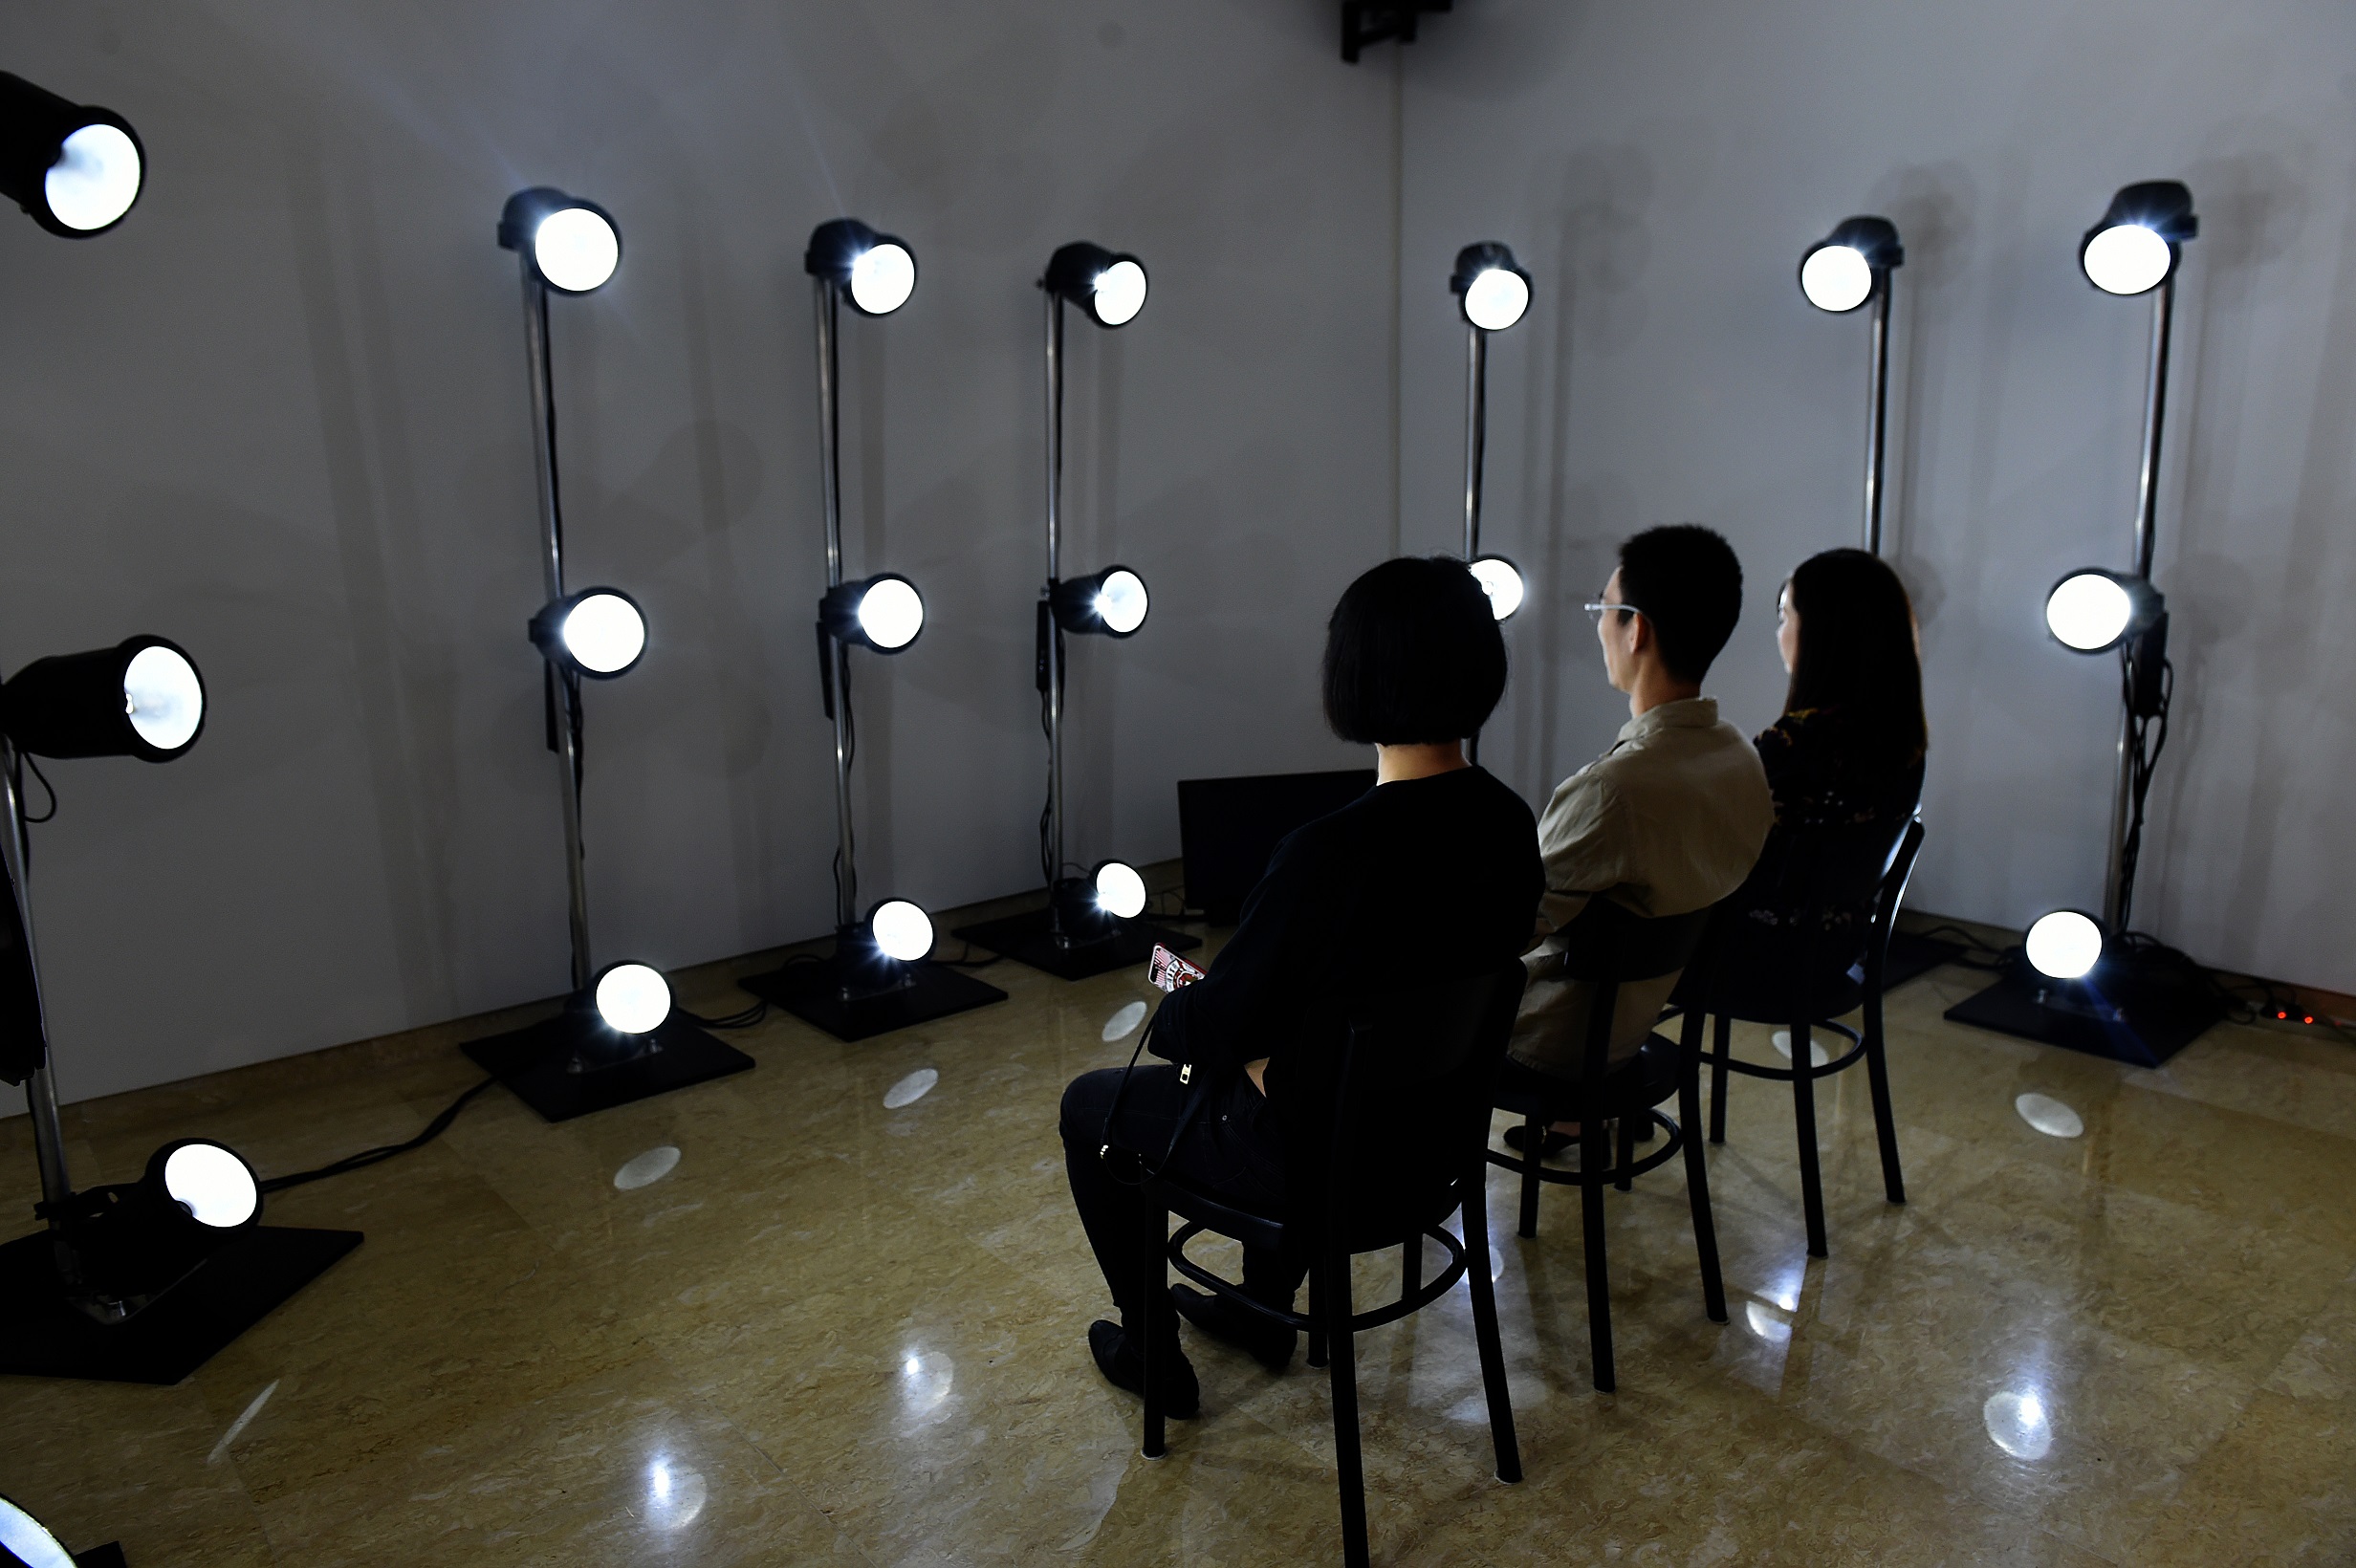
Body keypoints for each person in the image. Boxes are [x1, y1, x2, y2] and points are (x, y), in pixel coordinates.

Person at [1058, 556, 1542, 1416]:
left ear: (1354, 676)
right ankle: (1263, 1311)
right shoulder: (1509, 823)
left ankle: (1151, 1351)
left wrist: (1182, 1010)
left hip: (1316, 1161)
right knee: (1297, 1060)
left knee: (1091, 1106)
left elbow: (1212, 1026)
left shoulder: (1327, 854)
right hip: (1430, 1151)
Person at [1503, 525, 1773, 1141]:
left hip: (1553, 1041)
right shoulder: (1740, 758)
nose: (1599, 626)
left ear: (1637, 629)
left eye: (1603, 608)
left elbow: (1509, 928)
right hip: (1639, 1019)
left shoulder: (1613, 791)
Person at [1716, 548, 1927, 980]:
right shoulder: (1904, 743)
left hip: (1763, 952)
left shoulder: (1796, 741)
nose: (1779, 633)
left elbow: (1717, 837)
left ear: (1821, 631)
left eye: (1784, 617)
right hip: (1839, 950)